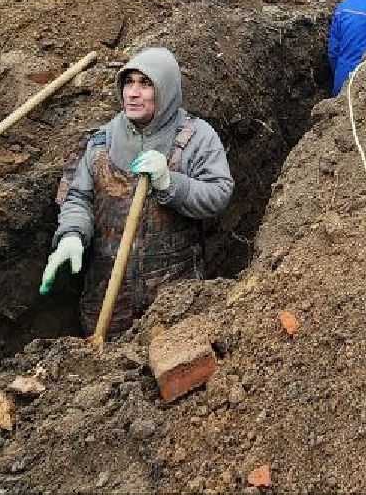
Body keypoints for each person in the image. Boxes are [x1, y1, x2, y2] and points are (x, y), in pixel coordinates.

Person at [40, 47, 233, 336]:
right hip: (107, 294)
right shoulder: (101, 141)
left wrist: (170, 183)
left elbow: (219, 193)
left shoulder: (196, 137)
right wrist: (72, 234)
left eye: (145, 84)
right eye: (128, 82)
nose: (132, 92)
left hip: (175, 297)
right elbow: (78, 197)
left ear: (164, 89)